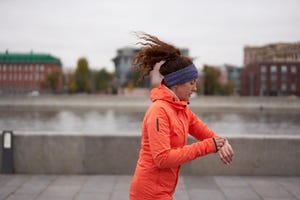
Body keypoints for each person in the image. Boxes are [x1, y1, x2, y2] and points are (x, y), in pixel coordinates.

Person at [129, 33, 234, 200]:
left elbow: (203, 131)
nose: (195, 89)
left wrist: (222, 142)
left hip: (164, 191)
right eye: (191, 83)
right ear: (177, 83)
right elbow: (162, 158)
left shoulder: (181, 109)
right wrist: (209, 146)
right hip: (149, 194)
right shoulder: (159, 110)